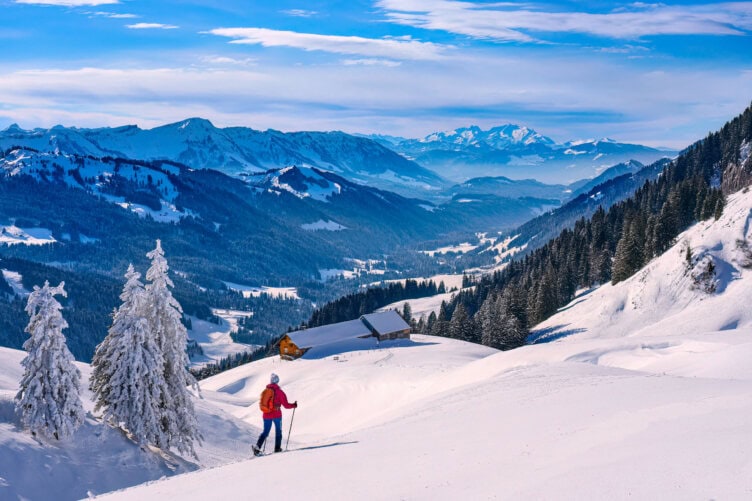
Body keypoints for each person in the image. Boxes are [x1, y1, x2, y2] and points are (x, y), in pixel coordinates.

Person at [253, 373, 297, 456]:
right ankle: (277, 448)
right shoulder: (280, 392)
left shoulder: (265, 391)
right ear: (277, 381)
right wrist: (294, 405)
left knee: (265, 432)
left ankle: (257, 448)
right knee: (278, 431)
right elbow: (286, 405)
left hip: (266, 415)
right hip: (277, 415)